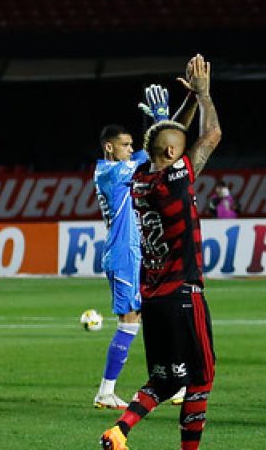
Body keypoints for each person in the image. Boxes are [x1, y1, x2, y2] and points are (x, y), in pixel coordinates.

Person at [99, 54, 221, 450]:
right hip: (184, 292)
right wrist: (203, 96)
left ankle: (119, 430)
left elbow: (165, 139)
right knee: (201, 378)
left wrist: (181, 106)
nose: (183, 152)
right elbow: (212, 135)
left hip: (153, 296)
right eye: (178, 150)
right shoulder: (172, 181)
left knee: (166, 378)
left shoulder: (140, 177)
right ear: (172, 156)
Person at [91, 82, 196, 411]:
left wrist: (156, 124)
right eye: (124, 145)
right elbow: (152, 156)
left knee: (151, 315)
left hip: (137, 252)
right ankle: (106, 390)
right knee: (130, 320)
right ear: (110, 148)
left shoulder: (120, 169)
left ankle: (173, 381)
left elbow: (150, 156)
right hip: (123, 255)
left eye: (130, 144)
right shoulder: (109, 171)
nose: (129, 149)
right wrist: (159, 121)